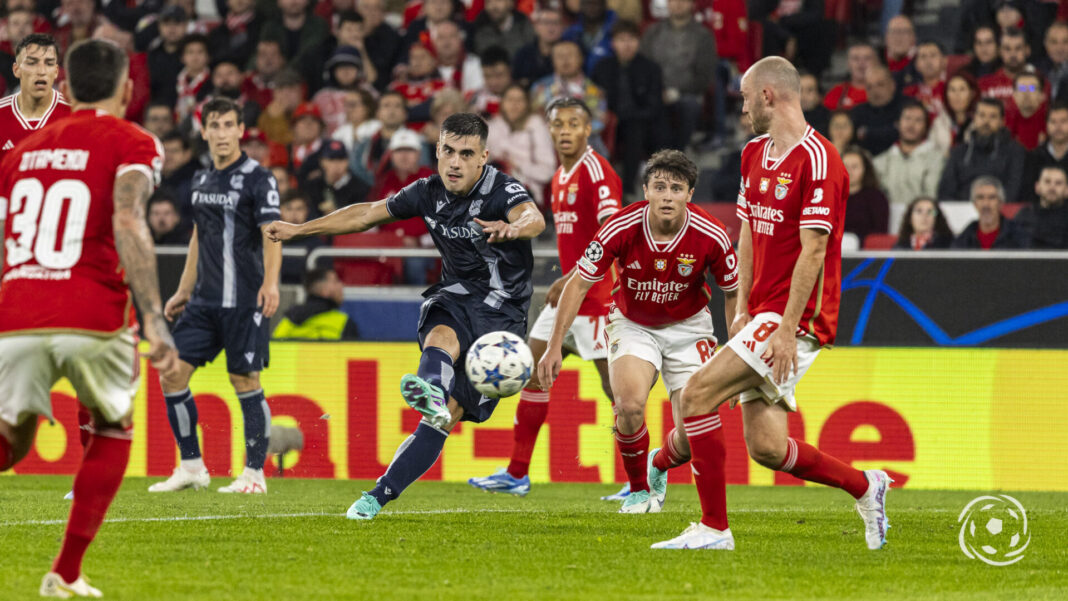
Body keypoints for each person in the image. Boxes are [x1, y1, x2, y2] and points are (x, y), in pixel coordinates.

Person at [646, 57, 892, 551]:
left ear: (767, 96)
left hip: (795, 318)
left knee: (695, 394)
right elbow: (750, 233)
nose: (741, 108)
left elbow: (815, 249)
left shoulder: (821, 161)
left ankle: (713, 526)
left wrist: (784, 328)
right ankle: (867, 486)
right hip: (760, 313)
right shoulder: (754, 153)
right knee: (767, 447)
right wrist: (739, 307)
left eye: (743, 97)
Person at [266, 113, 546, 520]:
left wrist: (514, 227)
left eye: (466, 154)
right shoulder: (427, 192)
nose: (454, 162)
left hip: (503, 316)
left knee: (445, 419)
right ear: (437, 151)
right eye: (448, 151)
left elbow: (533, 216)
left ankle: (381, 492)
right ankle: (430, 390)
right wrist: (299, 230)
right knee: (440, 336)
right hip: (457, 295)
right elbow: (365, 214)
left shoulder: (502, 190)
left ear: (483, 157)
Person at [0, 38, 178, 598]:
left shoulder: (18, 153)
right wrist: (152, 315)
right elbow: (127, 219)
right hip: (91, 313)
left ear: (66, 86)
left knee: (12, 442)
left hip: (17, 310)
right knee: (112, 426)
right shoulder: (133, 141)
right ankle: (67, 571)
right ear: (127, 88)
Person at [537, 148, 738, 514]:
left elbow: (734, 292)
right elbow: (578, 284)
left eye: (676, 188)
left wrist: (736, 356)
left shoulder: (713, 235)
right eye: (659, 186)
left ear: (689, 194)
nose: (667, 195)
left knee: (694, 436)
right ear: (645, 190)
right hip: (633, 324)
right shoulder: (621, 226)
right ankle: (638, 490)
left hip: (689, 329)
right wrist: (553, 346)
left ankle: (658, 463)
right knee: (628, 405)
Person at [469, 97, 620, 498]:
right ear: (549, 130)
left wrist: (570, 277)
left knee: (619, 393)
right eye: (558, 124)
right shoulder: (560, 176)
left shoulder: (597, 172)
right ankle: (517, 473)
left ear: (589, 130)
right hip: (568, 299)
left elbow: (613, 235)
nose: (565, 131)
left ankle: (641, 482)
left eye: (574, 124)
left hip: (597, 299)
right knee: (533, 373)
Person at [149, 97, 282, 495]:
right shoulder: (202, 179)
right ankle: (191, 466)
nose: (222, 133)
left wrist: (271, 283)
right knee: (171, 373)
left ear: (241, 130)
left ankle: (254, 474)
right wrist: (183, 289)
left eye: (229, 125)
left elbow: (272, 232)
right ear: (203, 131)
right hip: (204, 300)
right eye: (214, 126)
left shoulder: (260, 178)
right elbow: (198, 237)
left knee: (245, 378)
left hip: (245, 298)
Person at [592, 19, 663, 196]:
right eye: (621, 40)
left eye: (631, 39)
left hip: (641, 121)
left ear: (638, 42)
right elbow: (593, 98)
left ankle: (628, 189)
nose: (627, 45)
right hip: (610, 120)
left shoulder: (651, 68)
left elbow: (654, 106)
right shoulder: (602, 67)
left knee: (635, 130)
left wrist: (635, 115)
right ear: (613, 43)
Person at [639, 0, 717, 151]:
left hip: (687, 93)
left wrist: (677, 91)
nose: (677, 4)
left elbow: (704, 76)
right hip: (655, 91)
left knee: (690, 105)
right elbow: (642, 66)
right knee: (648, 104)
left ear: (691, 4)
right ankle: (654, 155)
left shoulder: (703, 35)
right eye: (673, 0)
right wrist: (657, 90)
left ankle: (678, 152)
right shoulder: (652, 32)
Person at [938, 98, 1026, 202]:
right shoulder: (959, 152)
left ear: (1002, 122)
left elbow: (1013, 191)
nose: (986, 121)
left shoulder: (1015, 152)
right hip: (962, 212)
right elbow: (946, 192)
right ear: (974, 118)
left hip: (1001, 212)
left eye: (993, 117)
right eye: (982, 115)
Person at [0, 33, 70, 162]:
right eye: (32, 63)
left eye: (49, 63)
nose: (41, 71)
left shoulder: (72, 114)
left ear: (56, 71)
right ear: (16, 70)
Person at [485, 84, 555, 207]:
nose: (514, 105)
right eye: (510, 100)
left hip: (526, 193)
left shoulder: (536, 126)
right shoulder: (492, 127)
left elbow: (547, 172)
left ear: (527, 103)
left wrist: (518, 165)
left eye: (519, 100)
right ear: (502, 103)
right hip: (492, 189)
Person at [873, 100, 946, 210]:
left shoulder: (937, 159)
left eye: (918, 120)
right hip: (886, 218)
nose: (911, 125)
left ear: (926, 126)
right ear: (898, 123)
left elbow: (931, 196)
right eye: (907, 118)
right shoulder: (880, 161)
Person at [273, 267, 360, 339]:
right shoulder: (343, 322)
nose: (341, 285)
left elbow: (274, 349)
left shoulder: (289, 319)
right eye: (336, 281)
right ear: (324, 290)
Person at [952, 175, 1027, 249]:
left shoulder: (1019, 237)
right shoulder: (964, 240)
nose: (986, 204)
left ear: (1001, 203)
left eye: (991, 197)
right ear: (974, 204)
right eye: (980, 197)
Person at [851, 65, 904, 156]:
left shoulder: (905, 107)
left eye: (880, 85)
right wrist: (892, 129)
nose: (875, 91)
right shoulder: (857, 112)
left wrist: (867, 133)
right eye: (869, 87)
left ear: (892, 85)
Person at [841, 146, 890, 243]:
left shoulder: (877, 198)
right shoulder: (827, 196)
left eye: (854, 167)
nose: (849, 171)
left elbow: (880, 233)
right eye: (845, 166)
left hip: (864, 253)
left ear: (865, 169)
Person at [1023, 102, 1068, 202]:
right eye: (1053, 122)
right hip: (1040, 212)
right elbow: (1028, 192)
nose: (1058, 127)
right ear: (1046, 125)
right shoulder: (1033, 156)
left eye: (1063, 121)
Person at [1015, 164, 1068, 248]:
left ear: (1066, 190)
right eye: (1047, 181)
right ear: (1037, 187)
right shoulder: (1025, 215)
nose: (1052, 187)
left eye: (1058, 183)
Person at [930, 73, 979, 153]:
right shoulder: (939, 123)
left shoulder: (980, 122)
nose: (957, 95)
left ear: (972, 94)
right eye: (952, 90)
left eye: (962, 89)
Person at [823, 42, 876, 111]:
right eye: (855, 58)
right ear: (848, 63)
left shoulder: (885, 90)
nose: (861, 63)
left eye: (867, 58)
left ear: (876, 62)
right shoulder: (836, 93)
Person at [1004, 70, 1048, 150]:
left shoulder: (1051, 120)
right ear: (1014, 95)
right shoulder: (1004, 121)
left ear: (1042, 95)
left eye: (1032, 88)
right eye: (1022, 88)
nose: (1026, 93)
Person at [800, 71, 829, 136]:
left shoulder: (828, 120)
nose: (804, 96)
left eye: (810, 90)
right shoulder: (785, 118)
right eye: (800, 90)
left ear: (818, 95)